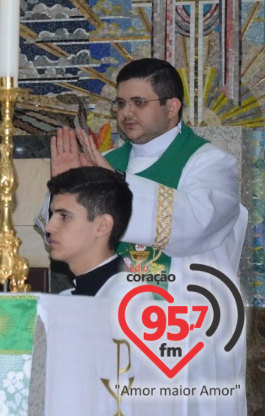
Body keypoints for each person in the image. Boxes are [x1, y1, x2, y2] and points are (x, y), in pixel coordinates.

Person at [36, 58, 247, 414]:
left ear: (172, 106)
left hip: (181, 327)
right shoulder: (105, 160)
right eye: (120, 104)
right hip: (105, 321)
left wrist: (116, 183)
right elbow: (56, 230)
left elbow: (196, 223)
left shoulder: (210, 163)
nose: (126, 113)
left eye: (139, 102)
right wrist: (64, 189)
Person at [45, 166, 134, 297]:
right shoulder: (67, 296)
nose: (49, 227)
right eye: (52, 214)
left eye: (64, 216)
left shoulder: (127, 295)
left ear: (102, 226)